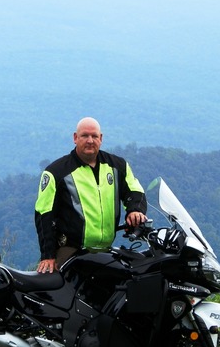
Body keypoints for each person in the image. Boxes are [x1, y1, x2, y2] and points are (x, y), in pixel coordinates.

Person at [35, 117, 147, 273]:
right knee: (62, 287)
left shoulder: (117, 166)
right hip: (70, 250)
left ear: (101, 138)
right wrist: (48, 255)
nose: (90, 140)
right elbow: (43, 213)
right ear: (75, 138)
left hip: (104, 251)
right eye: (84, 136)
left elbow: (134, 190)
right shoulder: (56, 172)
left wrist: (135, 210)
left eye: (94, 136)